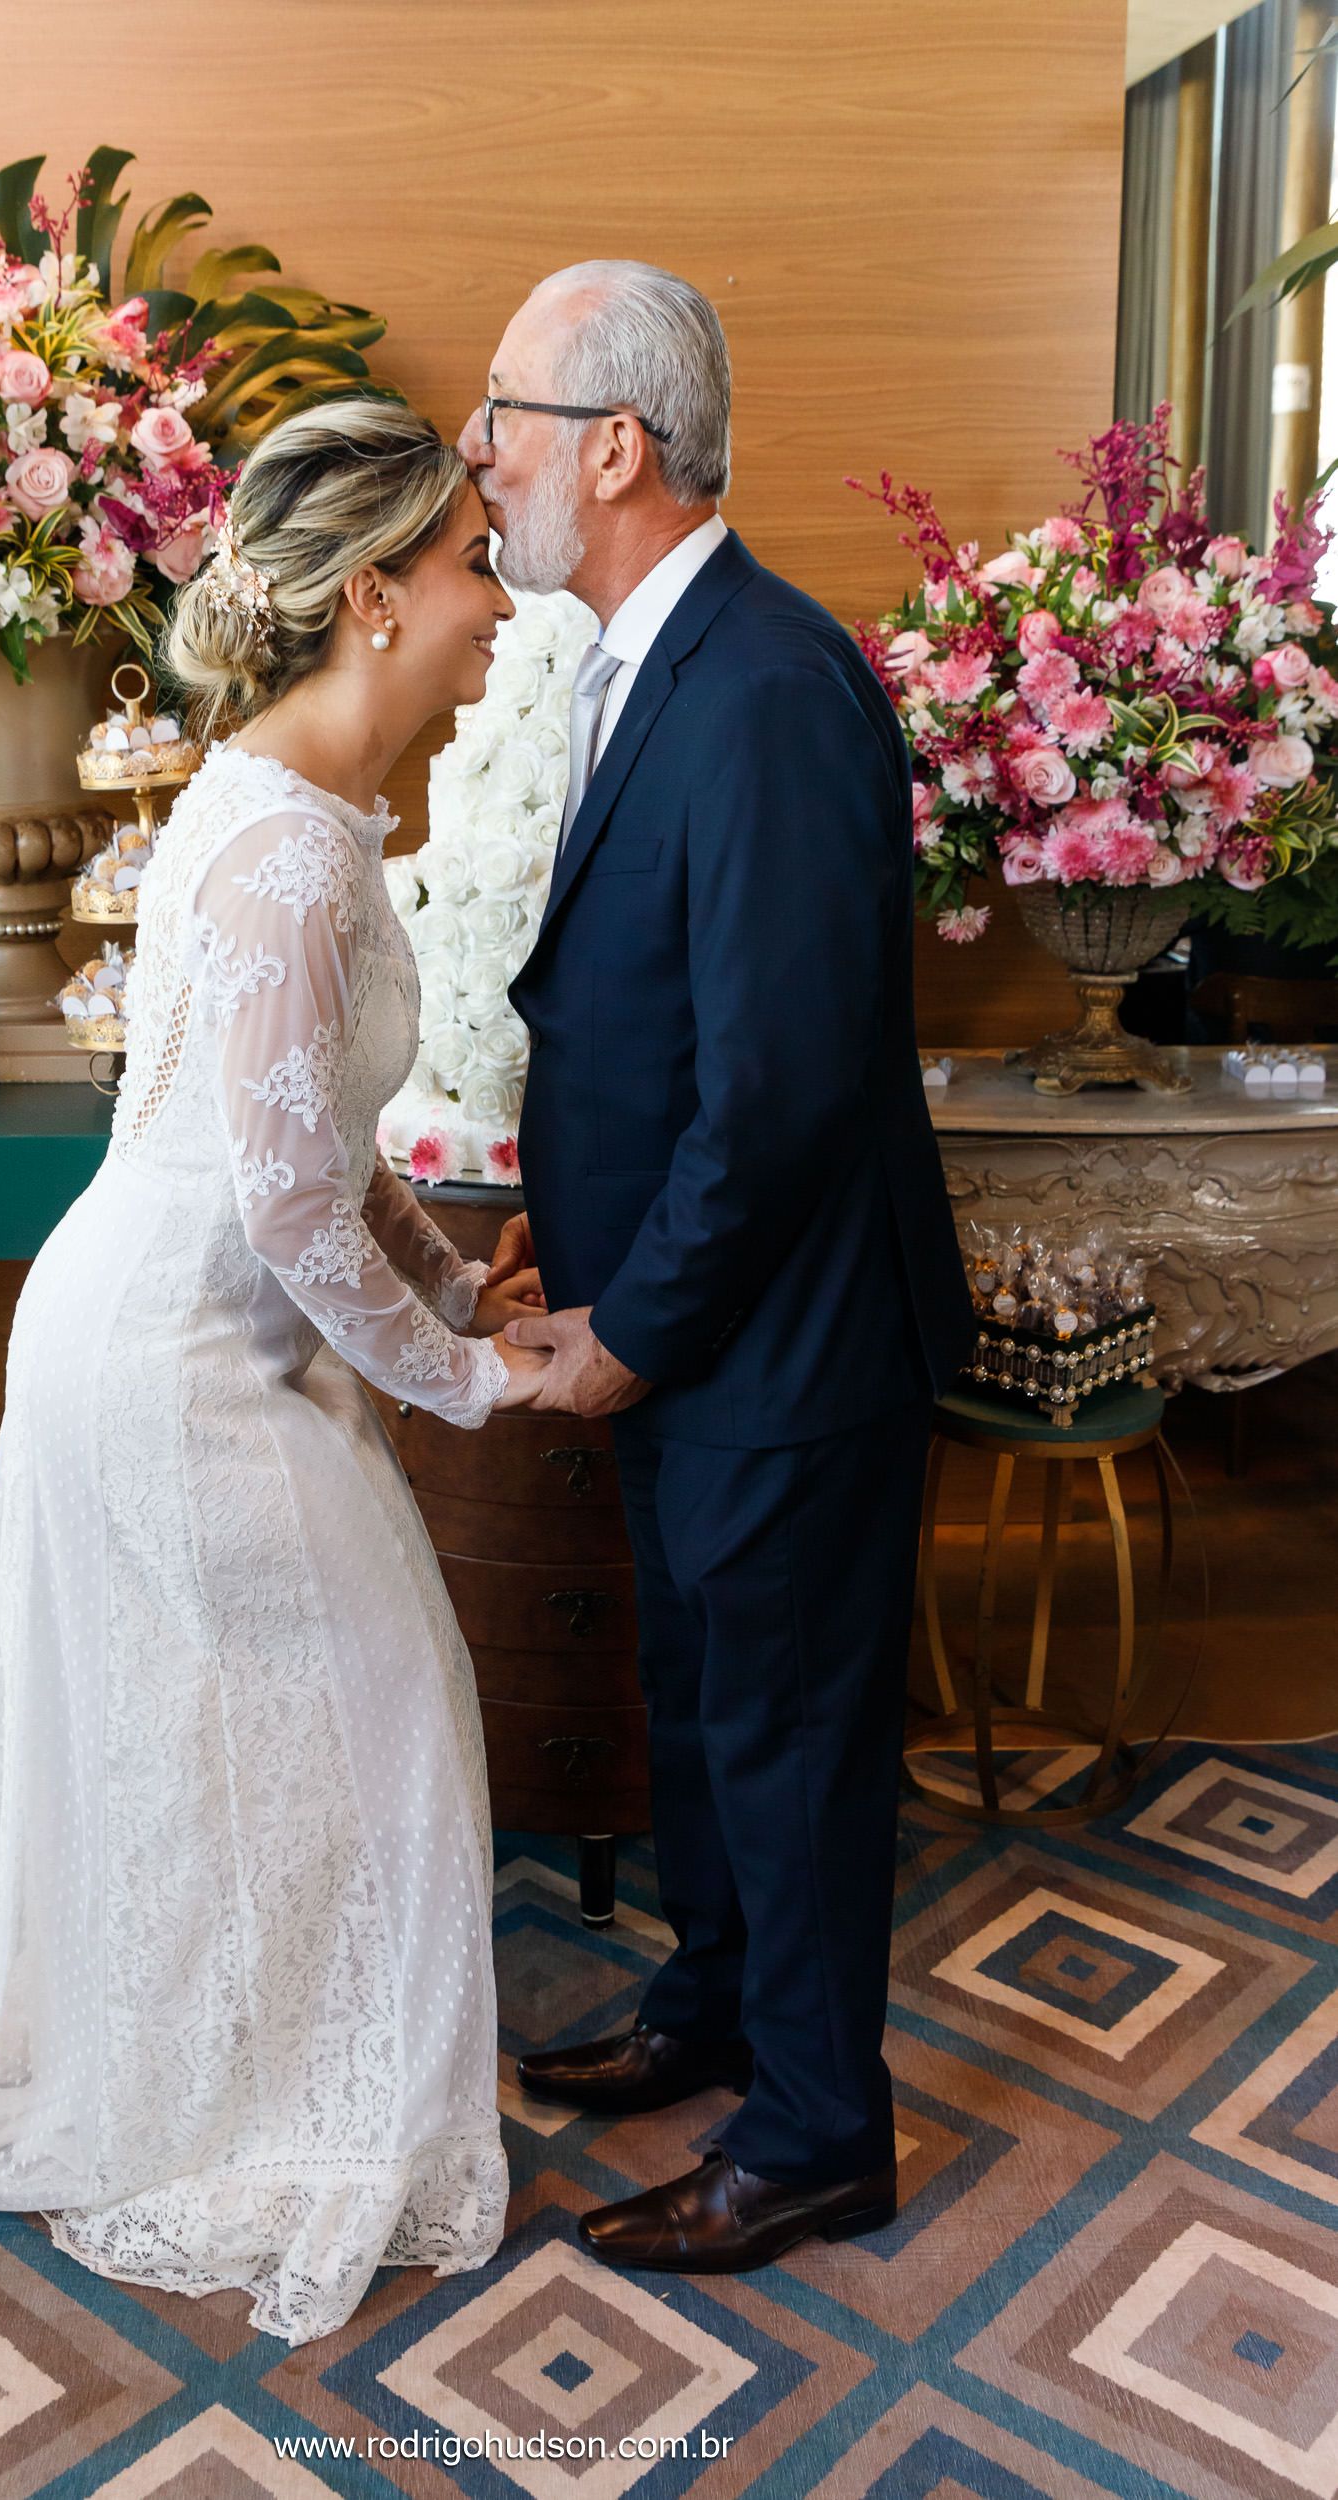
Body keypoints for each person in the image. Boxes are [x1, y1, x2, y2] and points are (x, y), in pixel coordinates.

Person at [0, 400, 552, 2346]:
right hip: (169, 1359)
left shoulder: (296, 804)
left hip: (188, 1328)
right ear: (375, 597)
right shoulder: (289, 853)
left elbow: (326, 1145)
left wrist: (451, 1294)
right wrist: (473, 1381)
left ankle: (265, 2058)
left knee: (285, 1720)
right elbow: (292, 1210)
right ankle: (263, 2094)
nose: (498, 602)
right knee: (373, 1697)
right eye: (473, 564)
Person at [465, 262, 976, 2272]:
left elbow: (772, 1094)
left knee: (784, 1741)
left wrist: (636, 1326)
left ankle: (822, 2130)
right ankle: (712, 2008)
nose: (478, 455)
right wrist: (569, 1248)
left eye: (502, 413)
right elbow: (666, 1027)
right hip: (695, 1326)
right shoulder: (648, 653)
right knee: (703, 1714)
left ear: (613, 444)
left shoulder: (764, 683)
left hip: (785, 1349)